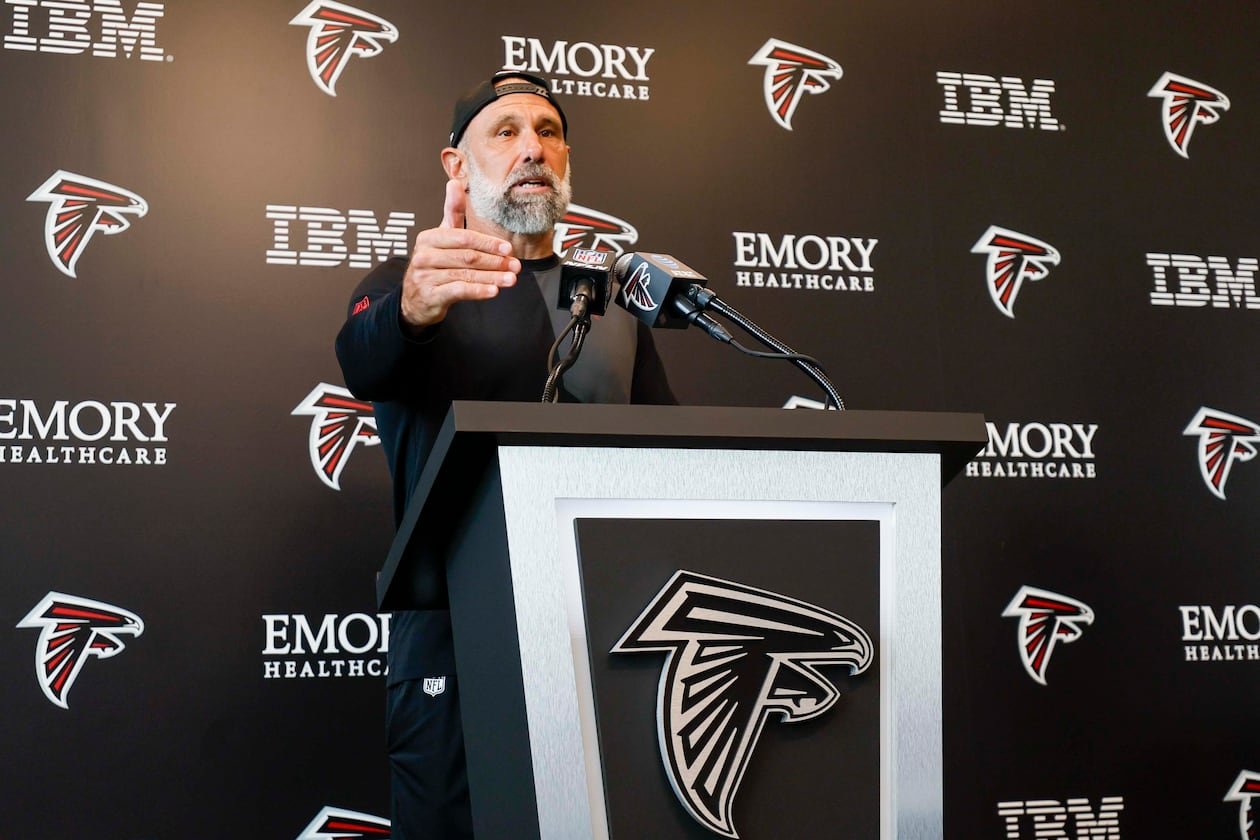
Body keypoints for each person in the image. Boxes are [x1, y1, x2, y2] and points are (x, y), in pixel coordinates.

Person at [334, 70, 676, 839]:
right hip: (454, 636)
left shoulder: (614, 304)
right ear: (456, 165)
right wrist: (414, 310)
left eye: (549, 132)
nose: (533, 148)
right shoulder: (412, 281)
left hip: (603, 630)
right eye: (506, 131)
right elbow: (361, 361)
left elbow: (669, 457)